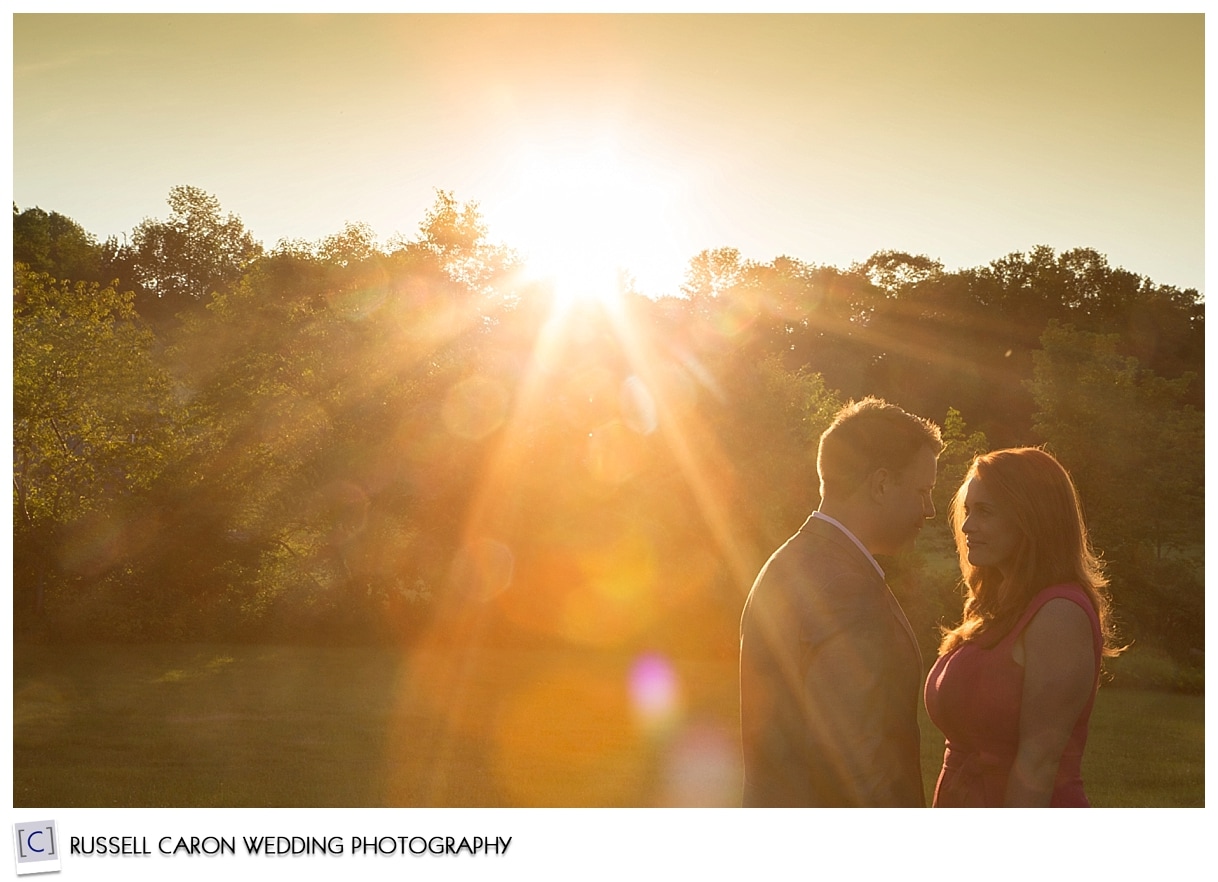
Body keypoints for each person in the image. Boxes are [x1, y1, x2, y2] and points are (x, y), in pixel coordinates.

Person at [739, 397, 942, 806]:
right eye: (923, 491)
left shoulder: (786, 564)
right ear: (882, 484)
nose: (931, 509)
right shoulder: (847, 590)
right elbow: (859, 768)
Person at [924, 447, 1122, 807]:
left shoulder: (1059, 614)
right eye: (968, 511)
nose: (967, 526)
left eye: (985, 512)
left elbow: (1039, 763)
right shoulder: (994, 607)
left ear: (1032, 518)